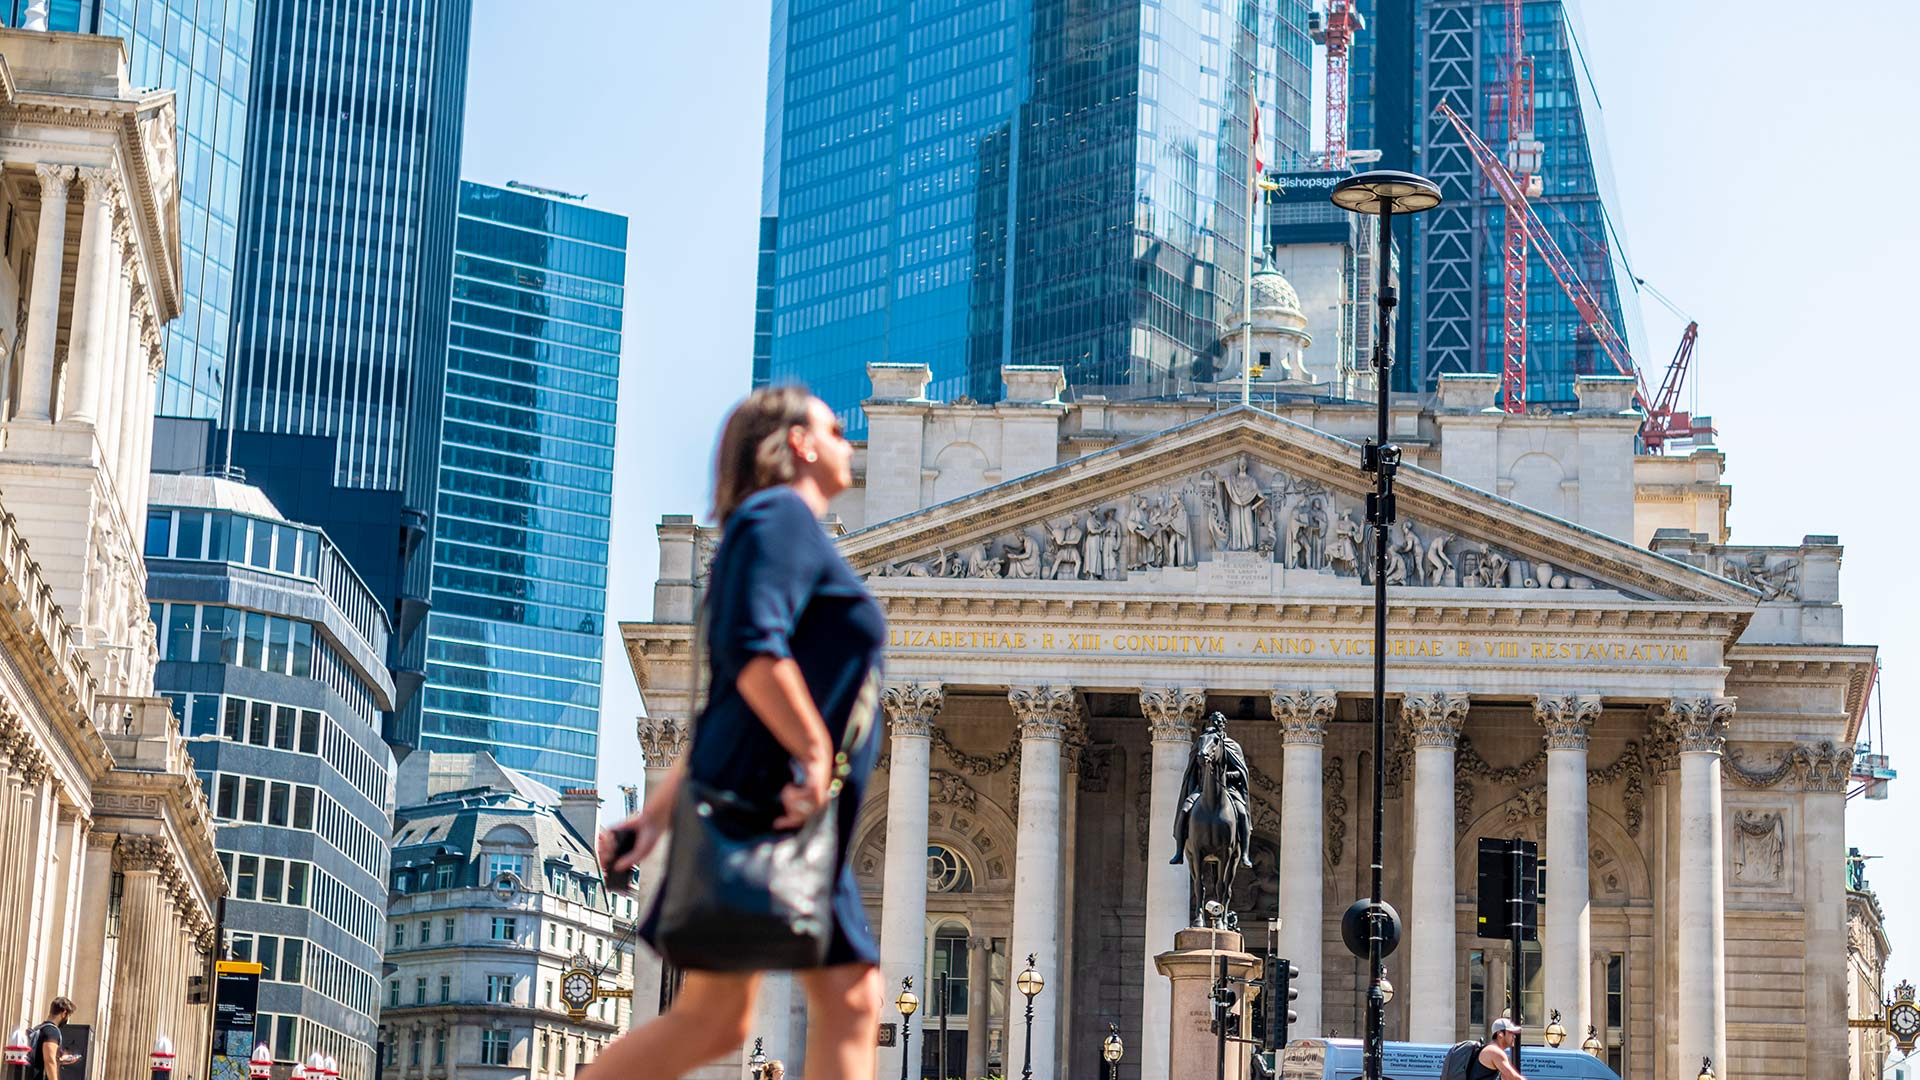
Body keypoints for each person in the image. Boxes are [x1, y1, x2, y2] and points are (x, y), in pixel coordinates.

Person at [589, 387, 886, 1080]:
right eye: (835, 427)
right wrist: (814, 754)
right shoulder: (779, 516)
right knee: (843, 1002)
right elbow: (755, 652)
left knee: (729, 1018)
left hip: (774, 809)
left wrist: (654, 818)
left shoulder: (780, 528)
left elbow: (724, 703)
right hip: (771, 808)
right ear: (798, 445)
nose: (851, 440)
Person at [24, 997, 79, 1080]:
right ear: (64, 1013)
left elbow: (41, 1056)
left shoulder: (39, 1028)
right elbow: (49, 1061)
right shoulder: (52, 1031)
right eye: (68, 1016)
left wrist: (61, 1060)